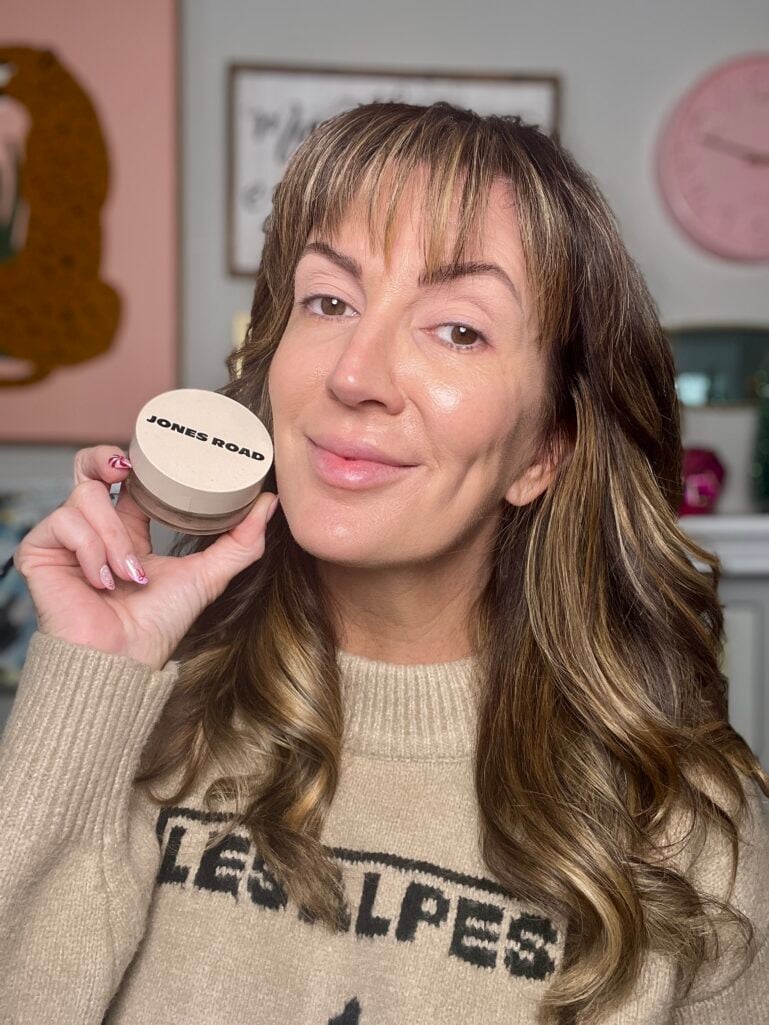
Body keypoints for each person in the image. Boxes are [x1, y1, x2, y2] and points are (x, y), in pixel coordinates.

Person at [1, 100, 767, 1025]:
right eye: (329, 301)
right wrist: (93, 674)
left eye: (458, 329)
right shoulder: (139, 722)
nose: (354, 372)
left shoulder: (693, 829)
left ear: (543, 450)